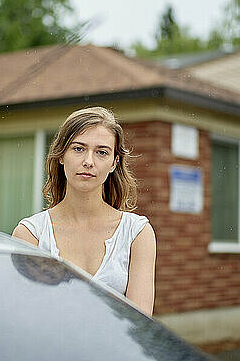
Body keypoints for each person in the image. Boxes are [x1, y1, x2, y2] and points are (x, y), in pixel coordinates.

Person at [12, 106, 156, 315]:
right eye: (78, 148)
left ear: (114, 163)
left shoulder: (137, 233)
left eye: (101, 152)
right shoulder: (31, 234)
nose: (89, 161)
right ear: (61, 156)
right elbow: (23, 314)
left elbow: (140, 325)